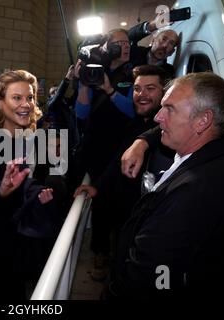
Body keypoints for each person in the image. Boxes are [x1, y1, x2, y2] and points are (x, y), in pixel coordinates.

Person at [109, 72, 224, 299]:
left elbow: (150, 278)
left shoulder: (196, 191)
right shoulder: (220, 155)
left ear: (203, 121)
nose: (158, 118)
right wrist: (142, 140)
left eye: (169, 109)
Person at [0, 70, 59, 300]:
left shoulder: (35, 140)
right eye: (17, 98)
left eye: (30, 97)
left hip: (20, 239)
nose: (26, 104)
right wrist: (1, 189)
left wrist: (40, 196)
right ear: (0, 102)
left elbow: (37, 181)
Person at [74, 65, 173, 280]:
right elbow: (117, 160)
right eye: (137, 89)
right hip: (128, 216)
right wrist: (97, 187)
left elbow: (166, 126)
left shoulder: (172, 126)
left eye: (150, 89)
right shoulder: (134, 124)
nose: (142, 95)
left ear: (165, 92)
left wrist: (144, 141)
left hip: (155, 225)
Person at [74, 28, 135, 279]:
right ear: (108, 46)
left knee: (121, 205)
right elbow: (80, 114)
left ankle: (122, 256)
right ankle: (99, 254)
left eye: (128, 42)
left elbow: (133, 112)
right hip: (95, 150)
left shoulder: (134, 74)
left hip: (123, 147)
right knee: (99, 204)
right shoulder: (94, 68)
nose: (125, 46)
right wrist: (84, 84)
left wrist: (110, 90)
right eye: (119, 42)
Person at [129, 11, 180, 79]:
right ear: (153, 40)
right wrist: (154, 24)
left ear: (172, 52)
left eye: (171, 43)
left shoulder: (168, 72)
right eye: (163, 39)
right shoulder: (135, 53)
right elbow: (128, 37)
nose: (165, 45)